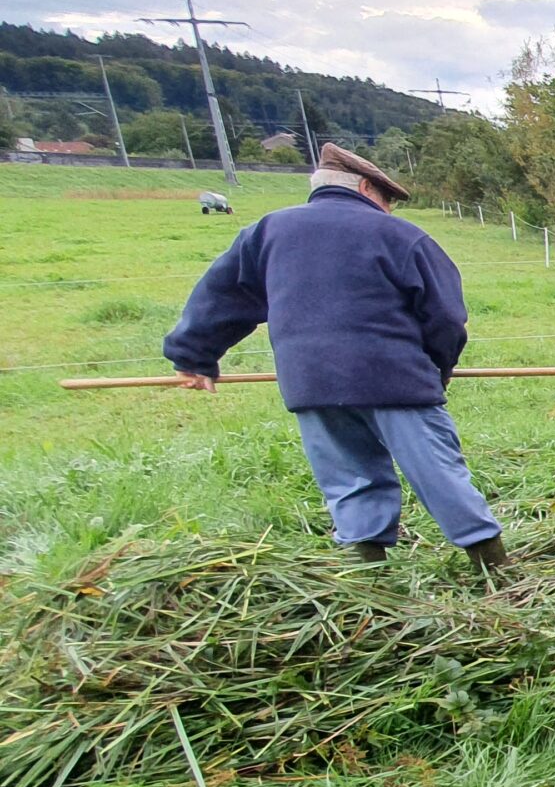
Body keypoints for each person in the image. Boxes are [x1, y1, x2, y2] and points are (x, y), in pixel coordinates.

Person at [163, 143, 507, 571]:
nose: (388, 211)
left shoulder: (266, 232)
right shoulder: (399, 235)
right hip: (396, 380)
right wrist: (437, 369)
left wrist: (194, 356)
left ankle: (368, 576)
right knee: (438, 472)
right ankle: (492, 565)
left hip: (311, 383)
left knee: (350, 477)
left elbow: (222, 296)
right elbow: (446, 316)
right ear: (365, 187)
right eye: (387, 200)